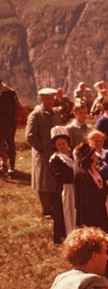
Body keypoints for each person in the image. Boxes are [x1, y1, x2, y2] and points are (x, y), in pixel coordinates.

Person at [26, 88, 59, 216]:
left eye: (52, 98)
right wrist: (43, 148)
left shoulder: (55, 113)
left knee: (53, 179)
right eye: (48, 98)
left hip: (55, 152)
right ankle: (45, 209)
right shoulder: (35, 115)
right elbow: (29, 136)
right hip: (43, 155)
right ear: (41, 99)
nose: (51, 101)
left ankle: (54, 206)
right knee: (43, 181)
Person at [0, 77, 21, 176]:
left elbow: (9, 111)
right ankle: (8, 165)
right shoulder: (10, 93)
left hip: (8, 124)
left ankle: (8, 165)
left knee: (8, 144)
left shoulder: (7, 94)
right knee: (9, 144)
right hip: (9, 123)